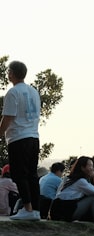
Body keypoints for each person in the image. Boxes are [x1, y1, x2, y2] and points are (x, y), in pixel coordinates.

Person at [0, 61, 41, 221]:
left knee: (19, 174)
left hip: (18, 137)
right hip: (34, 136)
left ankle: (27, 208)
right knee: (32, 174)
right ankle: (35, 210)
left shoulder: (13, 92)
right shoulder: (33, 91)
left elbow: (8, 117)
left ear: (12, 73)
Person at [49, 156, 94, 235]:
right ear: (82, 168)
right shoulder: (80, 181)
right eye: (90, 166)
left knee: (92, 197)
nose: (92, 168)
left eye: (92, 166)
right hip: (63, 211)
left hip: (58, 210)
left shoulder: (68, 178)